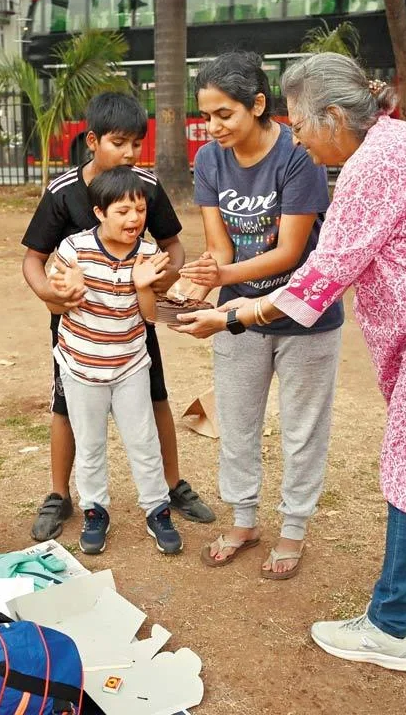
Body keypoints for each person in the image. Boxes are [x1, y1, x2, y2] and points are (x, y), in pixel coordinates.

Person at [175, 52, 406, 671]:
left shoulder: (373, 166)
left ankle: (390, 627)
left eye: (303, 126)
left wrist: (230, 315)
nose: (300, 139)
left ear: (334, 115)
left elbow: (320, 277)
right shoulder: (404, 141)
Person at [177, 51, 343, 580]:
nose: (214, 126)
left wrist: (220, 283)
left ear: (258, 104)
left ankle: (293, 527)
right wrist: (200, 280)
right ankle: (244, 519)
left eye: (224, 113)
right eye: (206, 115)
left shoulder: (297, 153)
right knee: (239, 423)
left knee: (301, 430)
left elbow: (291, 253)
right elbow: (219, 246)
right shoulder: (209, 160)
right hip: (237, 316)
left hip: (305, 317)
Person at [21, 91, 215, 541]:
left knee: (155, 398)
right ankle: (59, 495)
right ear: (92, 140)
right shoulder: (63, 193)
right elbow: (34, 258)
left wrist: (164, 278)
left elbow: (171, 244)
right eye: (119, 143)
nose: (129, 153)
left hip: (133, 320)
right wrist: (52, 294)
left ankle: (170, 488)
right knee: (67, 407)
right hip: (78, 328)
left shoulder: (145, 186)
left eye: (136, 144)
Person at [46, 166, 183, 556]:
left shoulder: (150, 253)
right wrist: (65, 291)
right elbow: (55, 296)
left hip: (130, 366)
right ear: (99, 213)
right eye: (122, 211)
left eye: (139, 210)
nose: (134, 219)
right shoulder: (74, 249)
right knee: (89, 445)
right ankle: (94, 511)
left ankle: (157, 510)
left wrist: (143, 286)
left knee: (143, 441)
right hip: (81, 366)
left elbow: (150, 316)